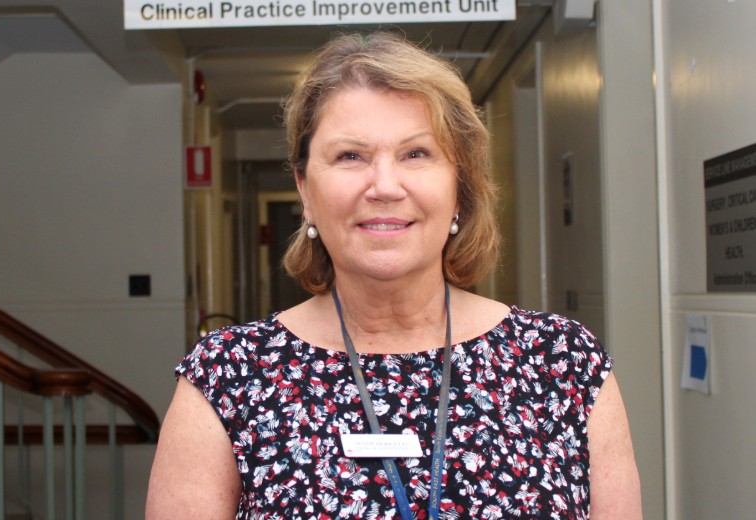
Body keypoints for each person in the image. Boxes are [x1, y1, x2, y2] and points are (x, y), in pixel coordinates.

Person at [146, 31, 642, 519]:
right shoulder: (226, 377)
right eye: (350, 156)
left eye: (416, 154)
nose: (384, 186)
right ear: (304, 189)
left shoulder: (562, 364)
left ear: (460, 186)